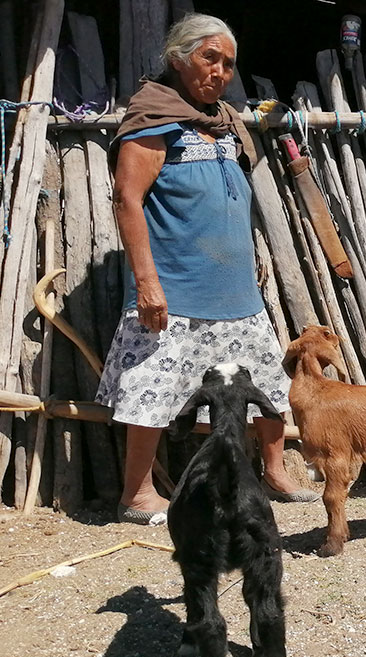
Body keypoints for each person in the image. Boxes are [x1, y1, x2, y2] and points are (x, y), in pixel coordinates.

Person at [97, 13, 316, 525]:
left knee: (265, 386)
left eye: (228, 63)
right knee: (151, 390)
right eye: (208, 57)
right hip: (175, 288)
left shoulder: (224, 123)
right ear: (178, 58)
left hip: (234, 289)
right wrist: (147, 282)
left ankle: (275, 473)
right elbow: (128, 199)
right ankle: (136, 493)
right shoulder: (154, 117)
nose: (219, 71)